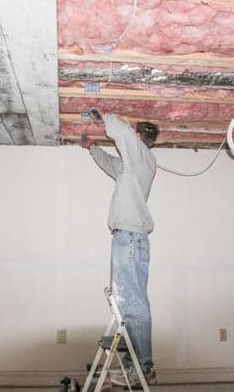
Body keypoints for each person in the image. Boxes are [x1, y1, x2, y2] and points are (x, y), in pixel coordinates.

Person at [82, 110, 159, 387]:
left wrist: (104, 116)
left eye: (133, 135)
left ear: (139, 138)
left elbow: (123, 132)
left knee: (134, 301)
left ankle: (145, 365)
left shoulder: (142, 157)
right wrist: (92, 148)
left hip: (129, 238)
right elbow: (111, 164)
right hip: (126, 238)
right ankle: (135, 361)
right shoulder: (133, 166)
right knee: (126, 301)